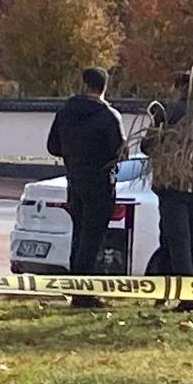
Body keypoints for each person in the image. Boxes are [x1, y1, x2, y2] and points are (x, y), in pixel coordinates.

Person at [46, 67, 126, 308]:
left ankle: (74, 289)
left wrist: (74, 153)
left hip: (75, 180)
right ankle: (85, 293)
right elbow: (119, 152)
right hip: (100, 183)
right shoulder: (109, 116)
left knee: (79, 235)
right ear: (104, 87)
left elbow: (53, 146)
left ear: (84, 84)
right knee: (93, 239)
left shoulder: (65, 112)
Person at [141, 72, 193, 312]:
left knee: (177, 240)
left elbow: (147, 146)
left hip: (173, 183)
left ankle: (185, 296)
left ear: (180, 88)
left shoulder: (166, 111)